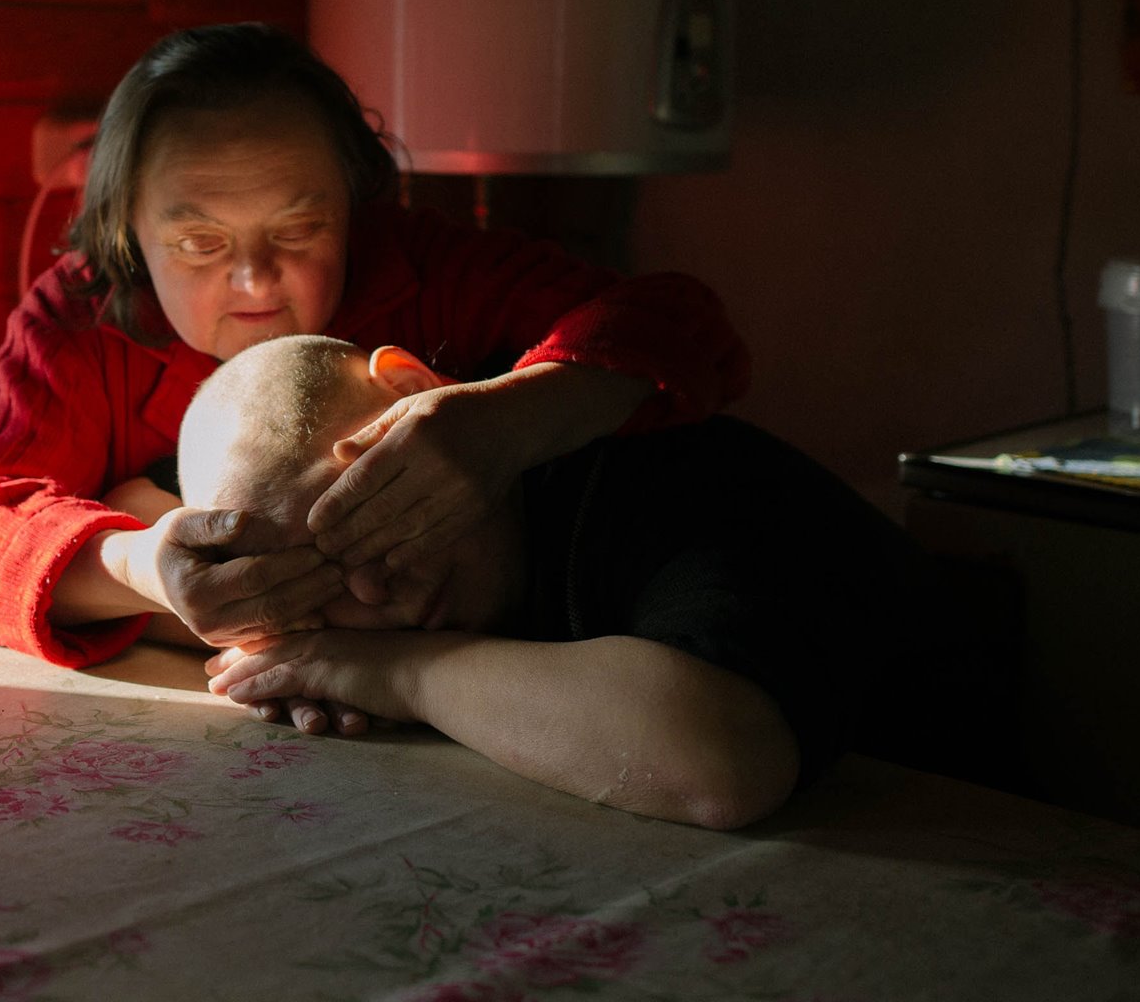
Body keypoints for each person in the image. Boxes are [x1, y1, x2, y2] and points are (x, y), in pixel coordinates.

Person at [0, 23, 751, 669]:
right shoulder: (84, 319)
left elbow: (681, 321)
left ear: (355, 202)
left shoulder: (423, 263)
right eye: (200, 244)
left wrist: (507, 422)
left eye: (300, 228)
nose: (254, 281)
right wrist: (136, 563)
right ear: (126, 229)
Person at [183, 334, 924, 831]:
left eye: (371, 514)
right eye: (318, 587)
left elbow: (721, 764)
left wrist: (391, 671)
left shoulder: (663, 473)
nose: (376, 592)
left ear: (415, 394)